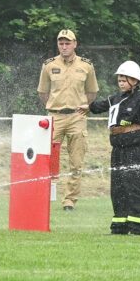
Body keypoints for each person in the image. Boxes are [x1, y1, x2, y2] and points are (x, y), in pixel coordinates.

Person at [80, 61, 140, 236]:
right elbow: (99, 106)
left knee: (134, 185)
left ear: (134, 81)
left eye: (124, 80)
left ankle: (137, 226)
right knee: (118, 186)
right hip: (117, 148)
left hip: (136, 148)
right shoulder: (115, 99)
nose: (121, 83)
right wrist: (87, 106)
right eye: (119, 80)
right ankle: (120, 225)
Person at [37, 29, 98, 212]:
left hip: (77, 117)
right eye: (61, 43)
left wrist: (83, 107)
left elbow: (92, 91)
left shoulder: (86, 66)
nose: (64, 46)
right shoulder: (48, 65)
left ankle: (70, 200)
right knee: (47, 158)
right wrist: (52, 106)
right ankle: (45, 195)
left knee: (76, 161)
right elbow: (42, 92)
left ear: (75, 44)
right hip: (54, 116)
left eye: (67, 43)